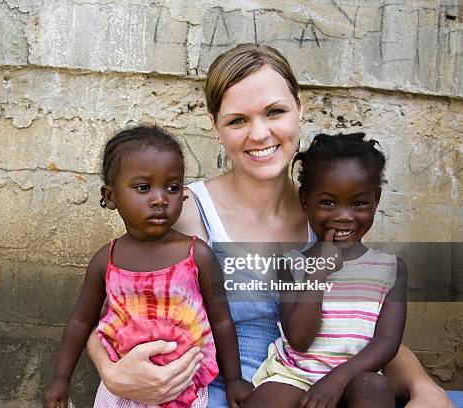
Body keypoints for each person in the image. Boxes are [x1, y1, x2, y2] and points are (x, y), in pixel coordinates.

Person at [86, 44, 454, 408]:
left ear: (299, 109)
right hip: (217, 393)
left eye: (275, 112)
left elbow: (359, 320)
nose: (260, 134)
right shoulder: (189, 213)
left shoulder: (331, 217)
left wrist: (423, 387)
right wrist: (111, 371)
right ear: (215, 126)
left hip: (316, 391)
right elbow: (106, 309)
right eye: (238, 120)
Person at [43, 126, 253, 408]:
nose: (160, 199)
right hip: (120, 392)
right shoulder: (105, 261)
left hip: (184, 391)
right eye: (143, 188)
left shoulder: (197, 255)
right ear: (110, 196)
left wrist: (233, 380)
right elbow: (82, 321)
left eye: (173, 187)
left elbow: (221, 320)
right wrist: (61, 378)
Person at [245, 133, 407, 408]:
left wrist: (338, 379)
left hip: (356, 376)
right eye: (328, 203)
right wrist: (317, 273)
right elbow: (299, 339)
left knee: (376, 387)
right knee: (264, 400)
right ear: (305, 200)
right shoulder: (292, 264)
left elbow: (388, 341)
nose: (343, 216)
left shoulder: (390, 269)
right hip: (295, 374)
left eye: (358, 203)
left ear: (376, 200)